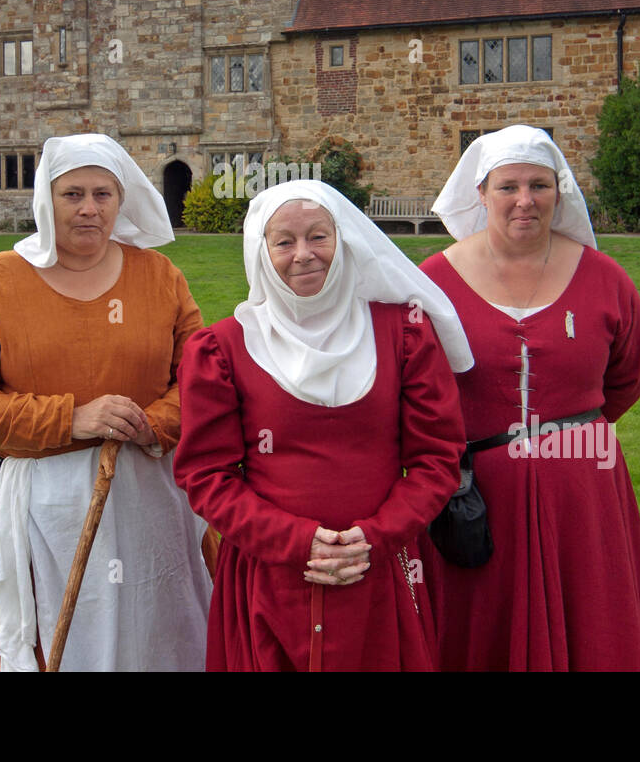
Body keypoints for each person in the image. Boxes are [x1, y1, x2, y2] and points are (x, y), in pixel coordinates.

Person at [0, 133, 212, 671]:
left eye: (103, 194)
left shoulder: (159, 277)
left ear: (121, 198)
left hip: (150, 498)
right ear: (47, 198)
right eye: (73, 194)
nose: (89, 208)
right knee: (55, 649)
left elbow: (202, 382)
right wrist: (73, 419)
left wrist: (150, 423)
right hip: (41, 508)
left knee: (157, 638)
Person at [173, 179, 471, 671]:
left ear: (344, 239)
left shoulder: (403, 333)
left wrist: (377, 535)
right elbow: (207, 476)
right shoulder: (223, 348)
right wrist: (294, 541)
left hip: (379, 569)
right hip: (269, 575)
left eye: (319, 236)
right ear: (261, 251)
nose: (304, 254)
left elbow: (436, 457)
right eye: (284, 241)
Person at [420, 123, 640, 671]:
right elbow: (415, 386)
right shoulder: (434, 281)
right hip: (476, 497)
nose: (524, 201)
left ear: (560, 192)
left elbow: (627, 375)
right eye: (508, 187)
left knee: (594, 623)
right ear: (481, 193)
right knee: (479, 630)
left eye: (539, 186)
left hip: (583, 490)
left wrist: (566, 434)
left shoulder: (605, 279)